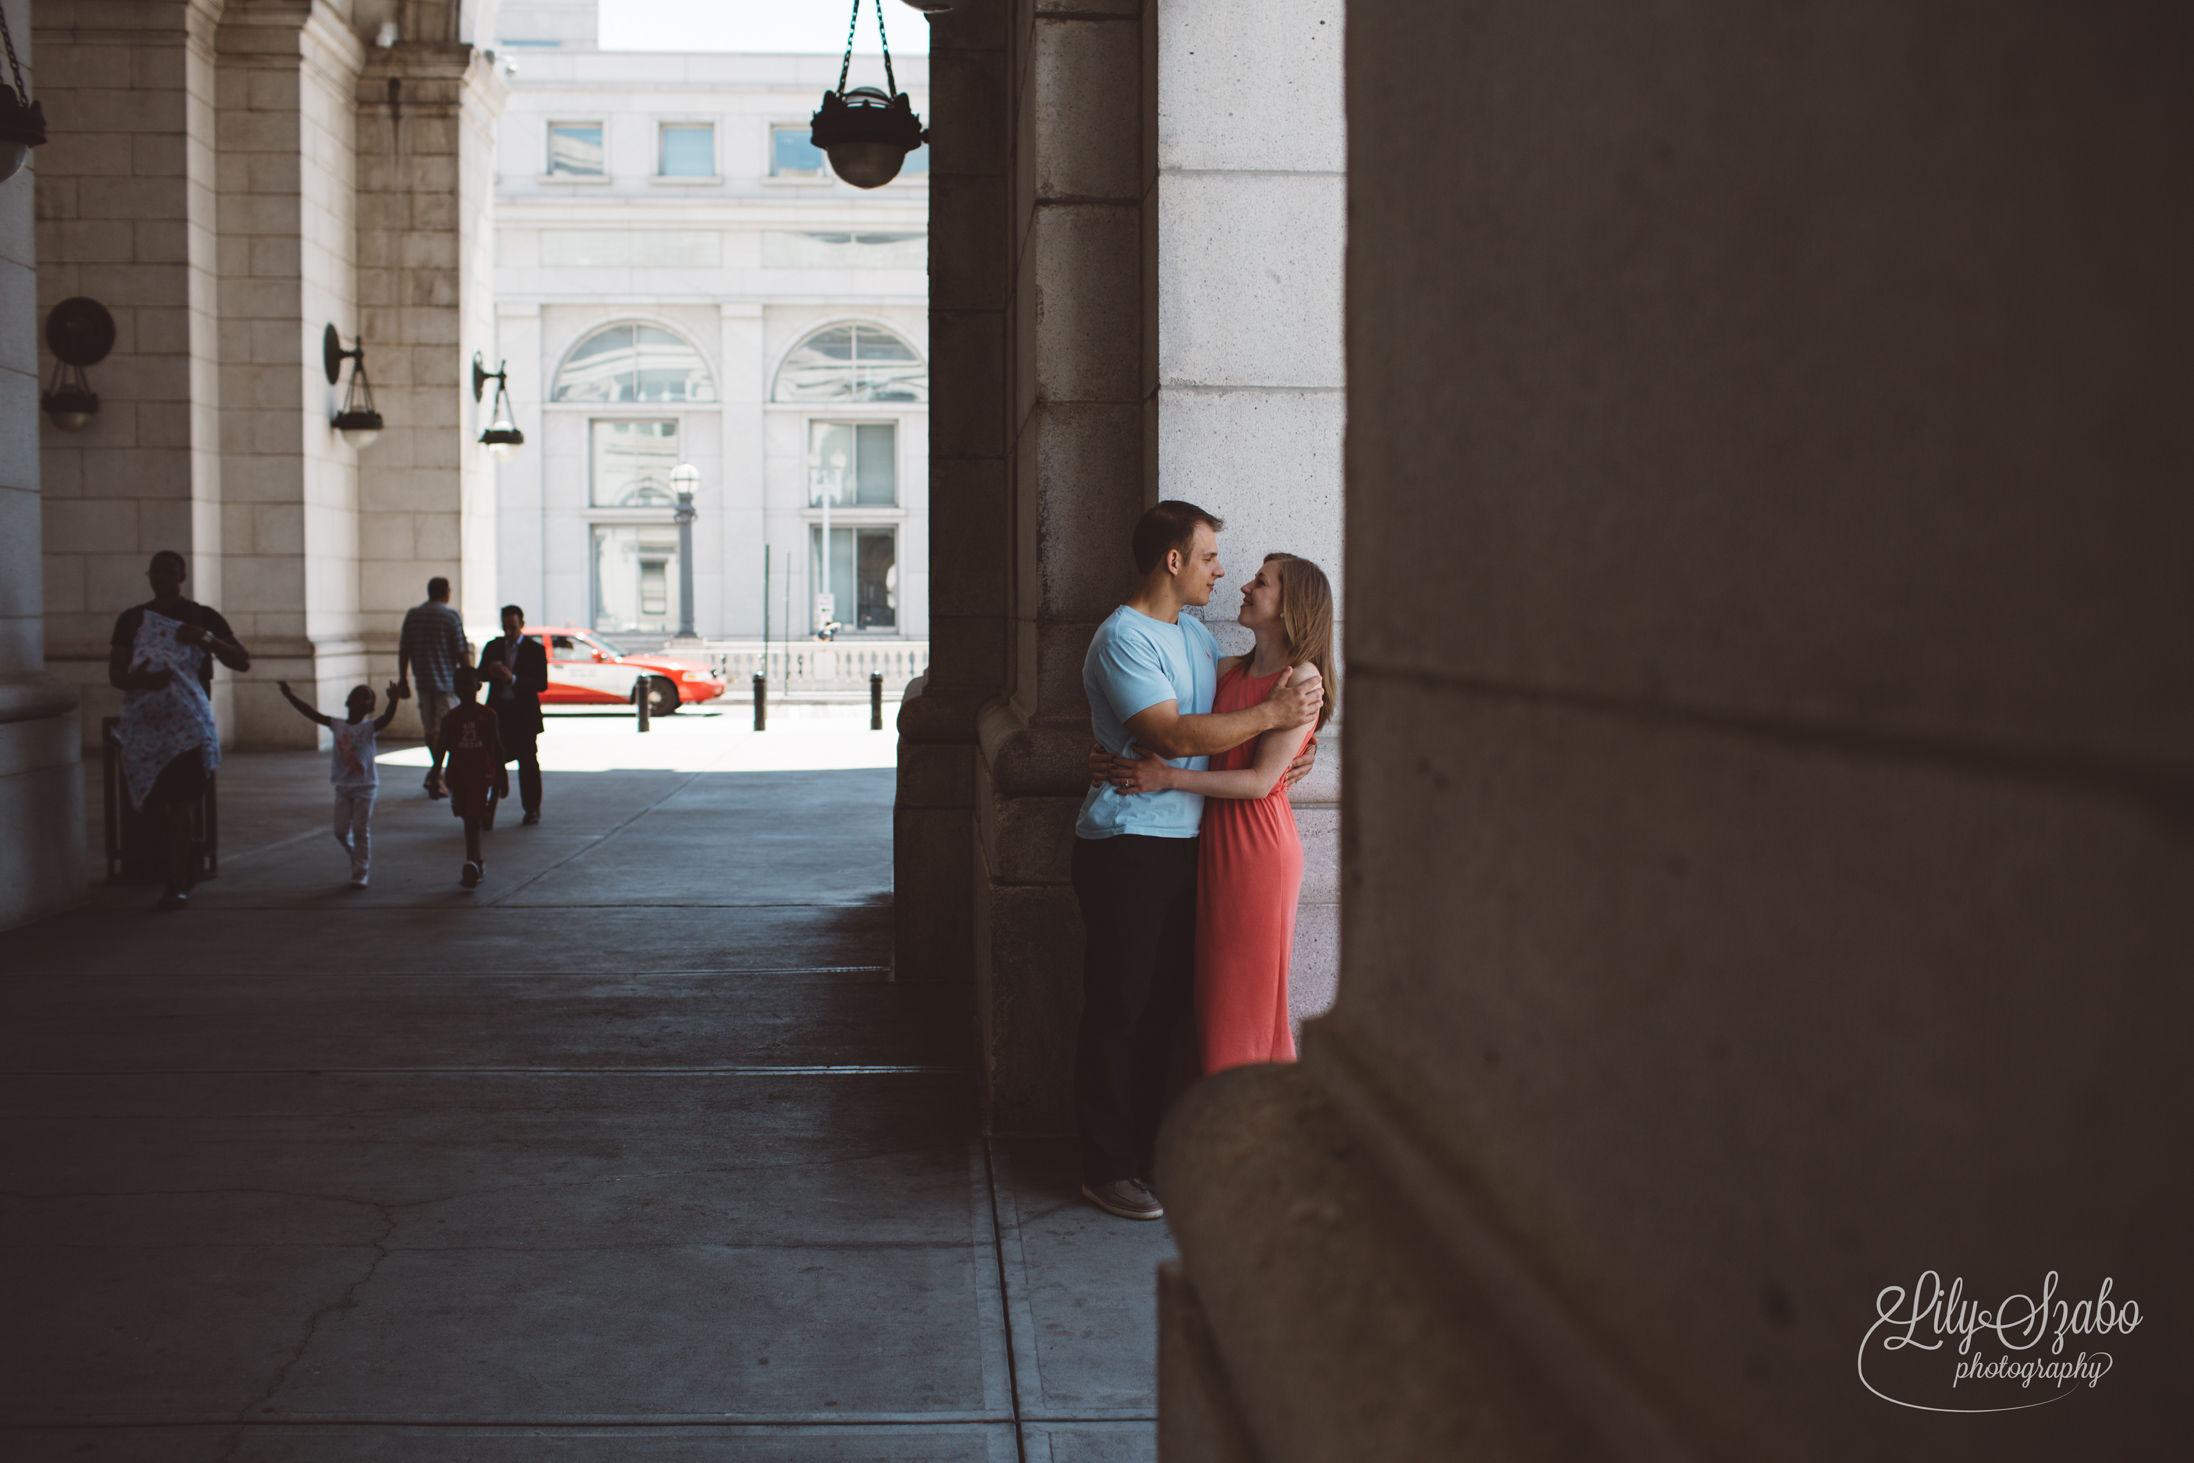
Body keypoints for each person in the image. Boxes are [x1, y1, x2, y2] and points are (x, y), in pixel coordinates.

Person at [1069, 502, 1323, 1221]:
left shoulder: (1193, 636)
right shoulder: (1123, 637)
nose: (1223, 571)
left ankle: (1152, 1154)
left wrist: (1294, 746)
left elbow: (1229, 727)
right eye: (1210, 556)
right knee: (1119, 1008)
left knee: (1166, 1013)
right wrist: (1275, 719)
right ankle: (1106, 1165)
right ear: (1173, 561)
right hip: (1128, 845)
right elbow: (1173, 733)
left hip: (1195, 848)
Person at [1104, 554, 1336, 1074]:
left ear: (1291, 605)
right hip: (1212, 845)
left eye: (1263, 582)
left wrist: (1168, 777)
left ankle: (1252, 1140)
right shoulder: (1226, 668)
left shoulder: (1303, 678)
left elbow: (1258, 783)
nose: (1246, 586)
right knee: (1213, 1008)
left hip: (1258, 852)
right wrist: (1105, 752)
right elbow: (1170, 724)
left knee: (1243, 1010)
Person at [109, 551, 251, 910]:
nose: (160, 577)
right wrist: (139, 680)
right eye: (155, 571)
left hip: (187, 726)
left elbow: (241, 659)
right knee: (153, 806)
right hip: (147, 726)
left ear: (182, 575)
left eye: (168, 571)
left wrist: (205, 639)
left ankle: (175, 880)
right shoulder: (131, 619)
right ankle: (181, 857)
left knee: (180, 803)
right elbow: (116, 674)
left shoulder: (201, 616)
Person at [276, 679, 403, 888]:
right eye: (356, 694)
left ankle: (360, 872)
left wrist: (394, 701)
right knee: (340, 831)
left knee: (361, 829)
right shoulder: (337, 725)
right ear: (347, 701)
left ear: (370, 707)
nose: (359, 699)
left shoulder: (369, 727)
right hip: (343, 787)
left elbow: (387, 718)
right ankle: (354, 852)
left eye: (366, 697)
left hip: (365, 787)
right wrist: (290, 695)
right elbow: (310, 712)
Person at [395, 576, 469, 800]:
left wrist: (403, 679)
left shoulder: (413, 616)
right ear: (447, 592)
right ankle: (440, 775)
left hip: (423, 681)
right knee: (449, 731)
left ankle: (437, 771)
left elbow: (404, 649)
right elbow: (461, 650)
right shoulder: (450, 616)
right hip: (447, 683)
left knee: (431, 731)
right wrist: (470, 679)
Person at [435, 665, 507, 889]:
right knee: (468, 818)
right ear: (454, 689)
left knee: (474, 819)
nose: (464, 689)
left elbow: (496, 746)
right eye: (459, 685)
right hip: (458, 776)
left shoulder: (488, 715)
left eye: (469, 684)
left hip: (481, 775)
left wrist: (502, 776)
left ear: (478, 686)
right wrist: (434, 775)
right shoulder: (450, 718)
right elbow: (442, 748)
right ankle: (477, 861)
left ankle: (471, 863)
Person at [476, 605, 548, 827]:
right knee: (494, 762)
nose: (508, 632)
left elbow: (541, 684)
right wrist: (490, 672)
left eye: (513, 627)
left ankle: (532, 809)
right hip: (499, 713)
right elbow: (479, 675)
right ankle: (489, 811)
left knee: (527, 762)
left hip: (523, 714)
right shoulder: (493, 646)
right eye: (505, 627)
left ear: (522, 624)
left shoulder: (535, 649)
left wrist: (513, 680)